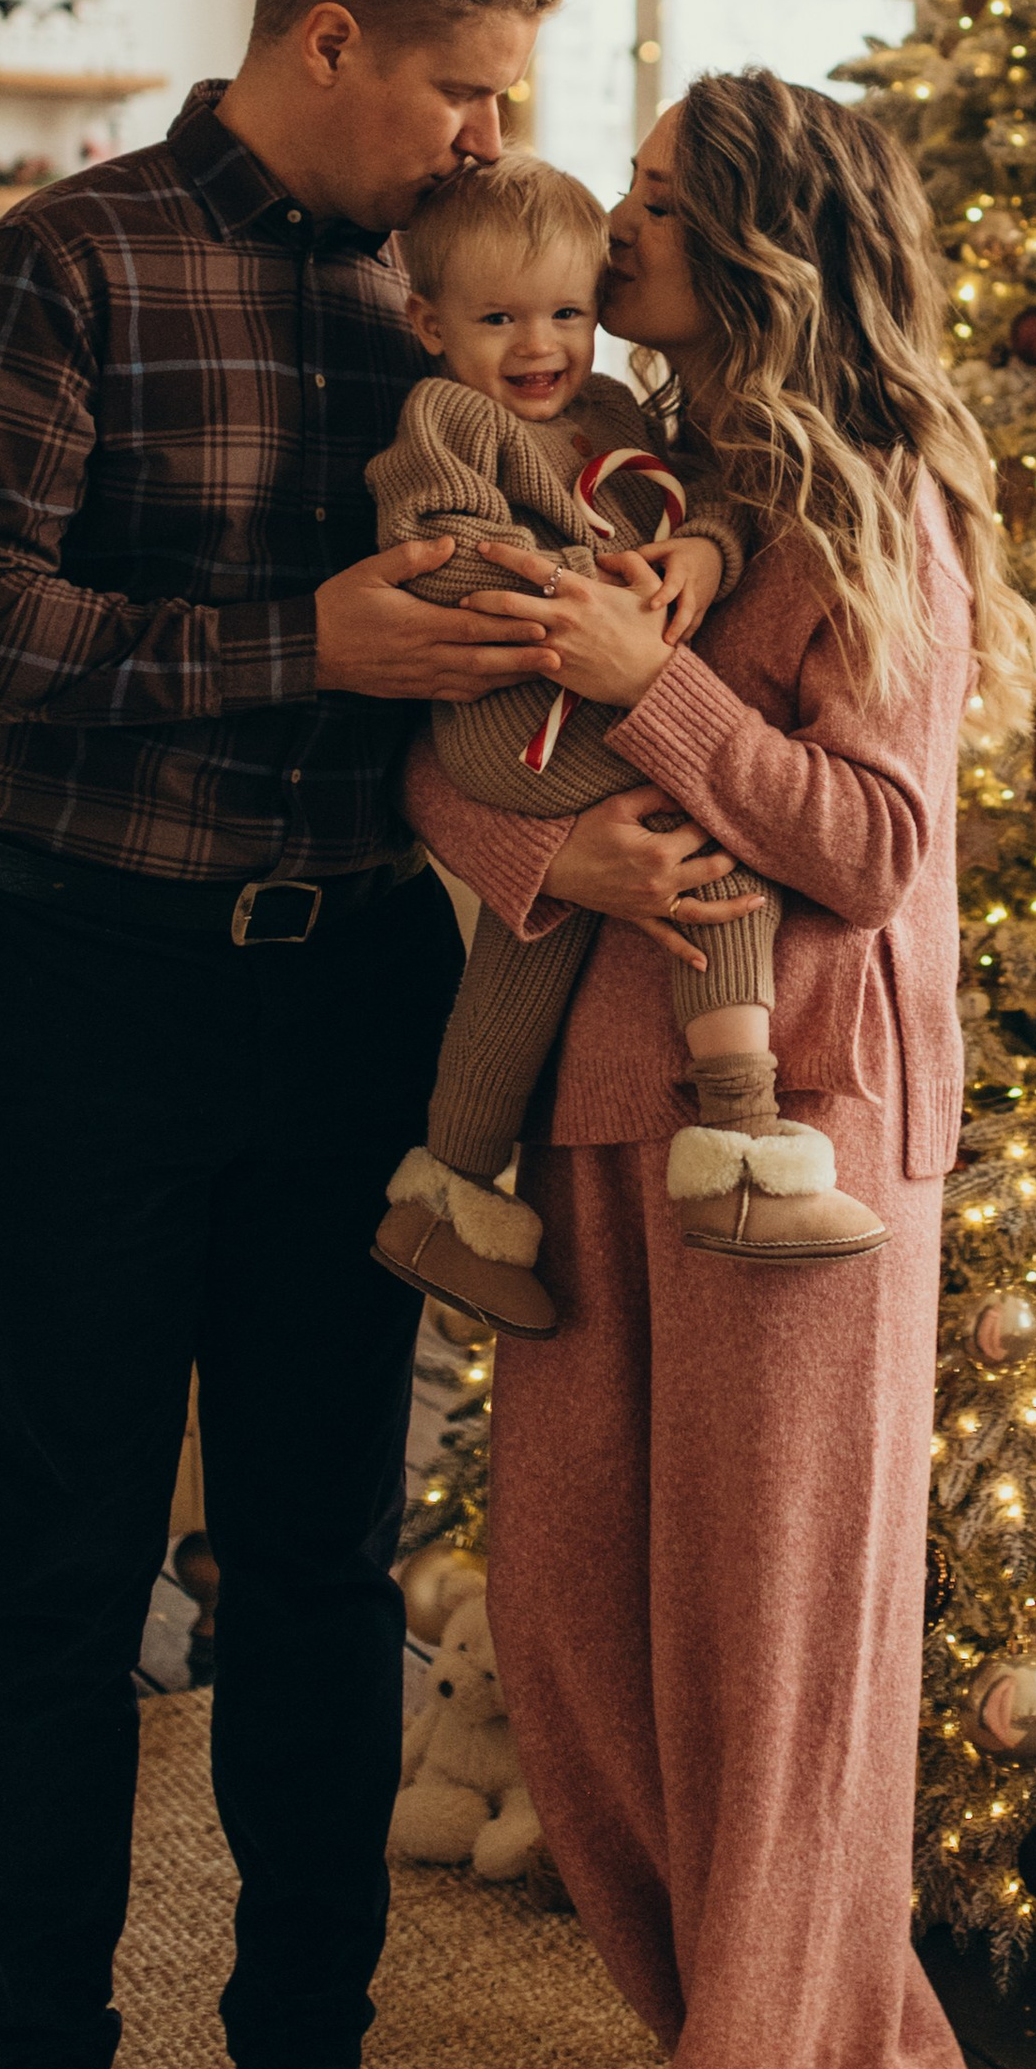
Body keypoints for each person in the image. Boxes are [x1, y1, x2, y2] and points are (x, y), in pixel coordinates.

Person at [0, 0, 576, 2069]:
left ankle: (302, 2045)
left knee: (318, 1563)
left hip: (356, 991)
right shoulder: (61, 266)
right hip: (77, 987)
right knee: (62, 1572)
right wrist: (302, 642)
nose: (493, 143)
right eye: (465, 90)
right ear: (326, 40)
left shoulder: (447, 301)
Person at [406, 69, 1036, 2069]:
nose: (621, 228)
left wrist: (651, 683)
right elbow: (453, 751)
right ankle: (772, 2041)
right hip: (596, 1108)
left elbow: (871, 846)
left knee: (771, 1653)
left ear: (770, 243)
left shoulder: (878, 512)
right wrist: (547, 847)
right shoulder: (615, 467)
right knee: (575, 1624)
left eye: (664, 202)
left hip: (804, 1136)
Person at [363, 153, 887, 1342]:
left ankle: (449, 1193)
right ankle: (742, 1142)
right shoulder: (449, 415)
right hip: (513, 711)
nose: (538, 345)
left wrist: (702, 547)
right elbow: (436, 549)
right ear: (431, 325)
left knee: (529, 947)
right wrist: (582, 586)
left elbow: (686, 500)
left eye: (566, 312)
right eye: (498, 320)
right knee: (709, 846)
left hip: (565, 705)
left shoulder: (606, 414)